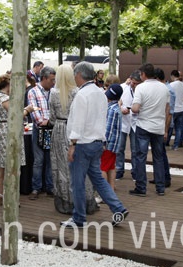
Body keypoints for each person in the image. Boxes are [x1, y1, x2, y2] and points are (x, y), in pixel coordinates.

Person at [61, 62, 129, 228]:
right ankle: (118, 208)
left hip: (83, 143)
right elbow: (102, 119)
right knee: (98, 179)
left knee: (77, 183)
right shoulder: (100, 93)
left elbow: (78, 122)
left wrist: (72, 144)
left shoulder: (82, 95)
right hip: (97, 142)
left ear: (79, 75)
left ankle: (79, 218)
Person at [51, 63, 98, 215]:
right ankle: (86, 201)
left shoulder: (54, 93)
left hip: (59, 129)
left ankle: (66, 201)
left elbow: (52, 117)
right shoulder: (78, 92)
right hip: (76, 131)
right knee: (81, 167)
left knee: (62, 167)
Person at [129, 63, 170, 197]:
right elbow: (167, 109)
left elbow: (135, 108)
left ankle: (141, 187)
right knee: (158, 157)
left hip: (143, 125)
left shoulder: (140, 88)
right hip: (158, 126)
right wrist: (165, 128)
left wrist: (132, 108)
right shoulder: (164, 88)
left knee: (141, 157)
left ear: (143, 74)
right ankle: (160, 187)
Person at [0, 74, 29, 205]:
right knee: (12, 165)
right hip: (8, 133)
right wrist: (27, 110)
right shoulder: (5, 98)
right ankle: (11, 196)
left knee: (1, 165)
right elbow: (17, 114)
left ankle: (1, 193)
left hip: (0, 130)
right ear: (8, 85)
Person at [27, 65, 56, 200]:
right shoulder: (33, 92)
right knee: (38, 160)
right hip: (40, 129)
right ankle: (36, 188)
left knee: (50, 159)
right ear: (43, 78)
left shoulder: (54, 92)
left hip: (51, 129)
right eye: (51, 80)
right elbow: (34, 111)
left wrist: (49, 121)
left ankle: (49, 187)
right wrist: (43, 121)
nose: (53, 82)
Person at [116, 71, 141, 180]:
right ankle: (119, 170)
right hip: (123, 121)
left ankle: (135, 171)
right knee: (120, 147)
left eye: (136, 83)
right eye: (133, 83)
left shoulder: (141, 90)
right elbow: (117, 101)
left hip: (136, 122)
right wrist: (121, 108)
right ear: (130, 79)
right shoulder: (123, 87)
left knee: (135, 149)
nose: (134, 85)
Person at [103, 83, 124, 191]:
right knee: (111, 166)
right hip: (115, 144)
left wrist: (103, 143)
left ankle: (104, 192)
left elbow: (108, 129)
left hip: (108, 145)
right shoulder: (117, 108)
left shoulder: (111, 109)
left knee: (102, 168)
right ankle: (110, 189)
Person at [168, 70, 183, 151]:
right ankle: (176, 145)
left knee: (170, 127)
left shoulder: (171, 85)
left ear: (172, 76)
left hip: (173, 109)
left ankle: (166, 142)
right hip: (181, 108)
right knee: (178, 128)